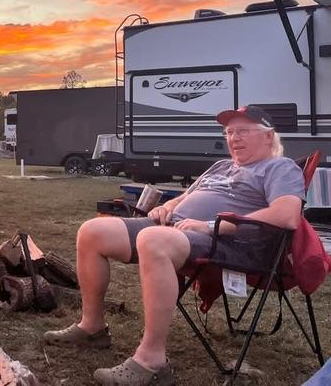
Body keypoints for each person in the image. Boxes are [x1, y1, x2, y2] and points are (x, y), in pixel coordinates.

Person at [44, 105, 304, 386]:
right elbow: (186, 197)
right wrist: (167, 207)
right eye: (229, 132)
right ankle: (92, 327)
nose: (234, 138)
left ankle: (152, 361)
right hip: (177, 227)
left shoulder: (280, 167)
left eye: (243, 131)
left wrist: (210, 225)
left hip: (227, 242)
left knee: (153, 239)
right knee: (92, 232)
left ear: (268, 136)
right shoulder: (221, 166)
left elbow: (286, 215)